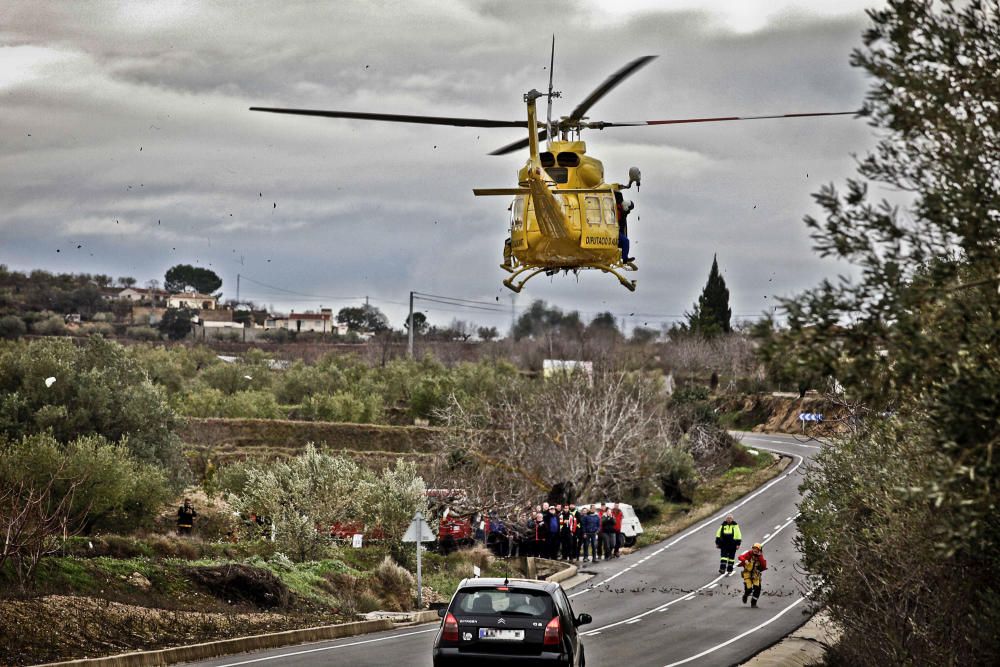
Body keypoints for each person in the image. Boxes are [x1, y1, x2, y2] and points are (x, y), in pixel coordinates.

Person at [738, 543, 768, 607]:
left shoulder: (760, 556)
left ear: (759, 550)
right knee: (749, 589)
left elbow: (763, 565)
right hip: (747, 574)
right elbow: (740, 557)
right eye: (754, 548)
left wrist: (760, 557)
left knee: (757, 588)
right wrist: (745, 560)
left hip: (756, 575)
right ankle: (745, 595)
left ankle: (753, 603)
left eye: (756, 549)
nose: (755, 550)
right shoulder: (749, 553)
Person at [615, 191, 635, 264]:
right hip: (614, 231)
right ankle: (625, 259)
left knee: (625, 241)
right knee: (626, 241)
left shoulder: (623, 211)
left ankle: (624, 257)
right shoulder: (618, 206)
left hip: (617, 231)